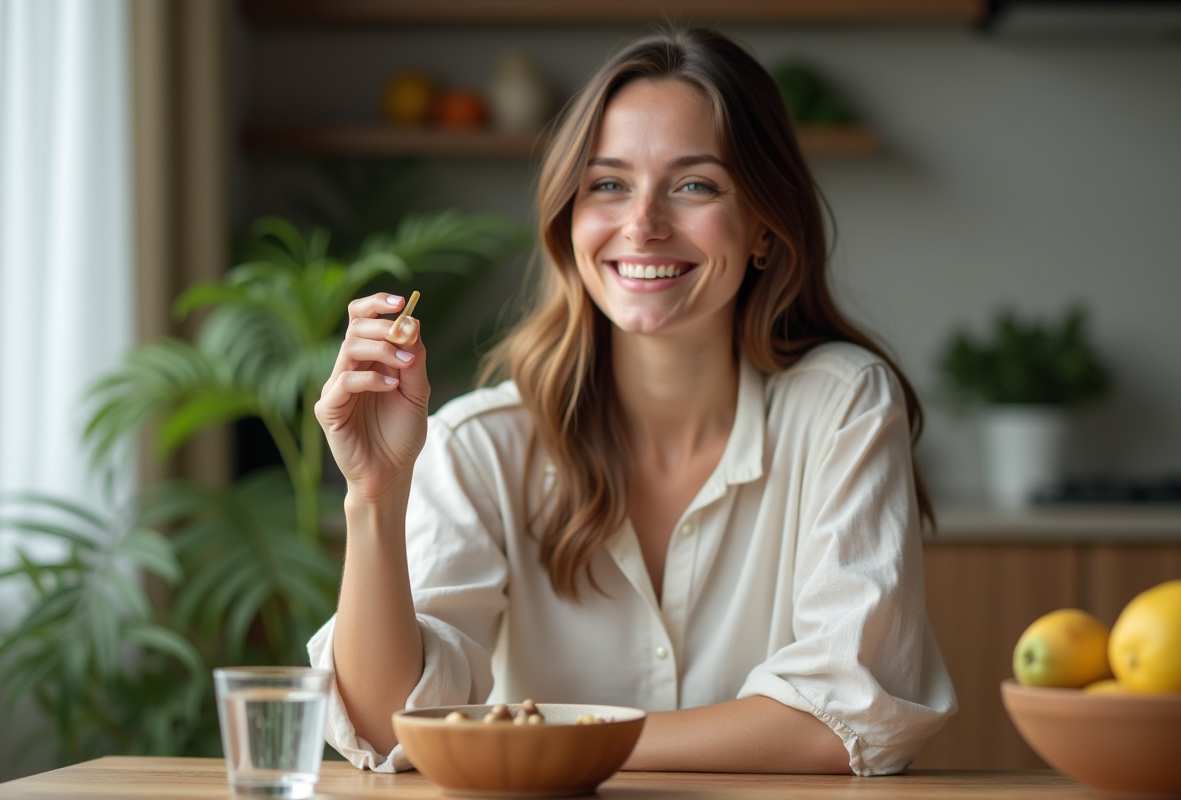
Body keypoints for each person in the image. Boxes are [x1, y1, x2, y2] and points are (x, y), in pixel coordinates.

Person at [309, 27, 956, 776]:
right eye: (608, 185)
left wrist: (559, 740)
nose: (643, 225)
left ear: (764, 229)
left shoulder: (842, 407)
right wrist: (376, 496)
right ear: (568, 222)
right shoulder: (478, 447)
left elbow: (846, 716)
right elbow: (390, 728)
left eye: (695, 185)